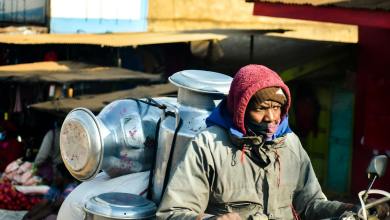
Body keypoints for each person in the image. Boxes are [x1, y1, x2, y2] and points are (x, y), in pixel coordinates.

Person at [157, 65, 355, 220]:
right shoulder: (209, 145)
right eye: (261, 108)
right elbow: (172, 213)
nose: (271, 117)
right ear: (240, 109)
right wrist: (209, 219)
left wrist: (346, 209)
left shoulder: (290, 144)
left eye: (277, 107)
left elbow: (310, 204)